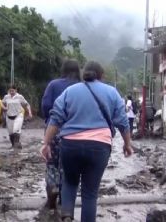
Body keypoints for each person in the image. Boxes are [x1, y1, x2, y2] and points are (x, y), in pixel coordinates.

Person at [40, 61, 133, 222]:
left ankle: (67, 215)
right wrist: (127, 144)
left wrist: (46, 143)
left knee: (69, 182)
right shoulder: (112, 92)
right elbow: (122, 121)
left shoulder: (70, 91)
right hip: (100, 146)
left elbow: (55, 117)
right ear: (101, 75)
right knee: (90, 193)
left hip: (70, 145)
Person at [41, 59, 81, 210]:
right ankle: (65, 200)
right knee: (69, 167)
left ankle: (52, 188)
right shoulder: (82, 87)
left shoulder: (53, 85)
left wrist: (49, 119)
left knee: (52, 164)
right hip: (75, 133)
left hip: (53, 130)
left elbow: (45, 106)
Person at [1, 84, 32, 149]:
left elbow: (27, 105)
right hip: (9, 116)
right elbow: (2, 103)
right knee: (11, 133)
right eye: (10, 91)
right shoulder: (6, 97)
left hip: (18, 115)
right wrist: (4, 107)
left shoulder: (20, 97)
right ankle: (14, 145)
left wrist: (29, 112)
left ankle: (16, 146)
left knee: (16, 130)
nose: (11, 92)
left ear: (16, 90)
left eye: (13, 91)